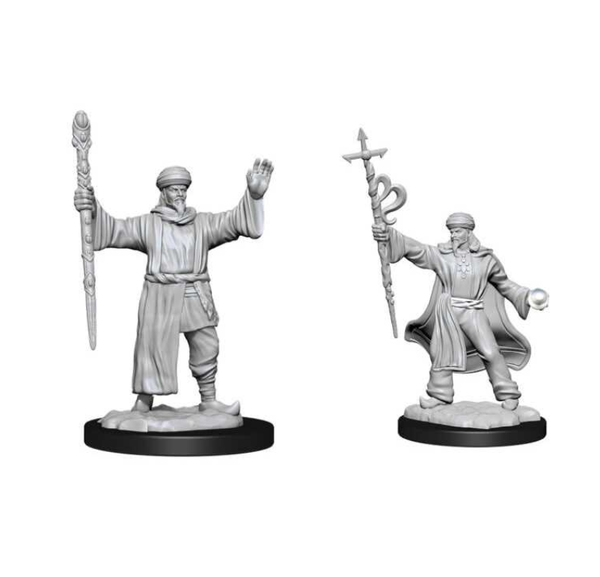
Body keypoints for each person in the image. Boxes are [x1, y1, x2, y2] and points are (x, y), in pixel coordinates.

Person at [74, 160, 274, 414]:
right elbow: (114, 230)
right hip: (161, 295)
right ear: (163, 192)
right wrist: (91, 208)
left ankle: (209, 400)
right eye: (174, 189)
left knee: (207, 345)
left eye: (183, 189)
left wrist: (254, 197)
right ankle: (143, 402)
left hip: (195, 293)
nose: (179, 194)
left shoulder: (202, 223)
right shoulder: (148, 224)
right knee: (151, 349)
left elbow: (234, 221)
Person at [373, 212, 548, 410]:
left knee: (490, 351)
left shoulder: (486, 260)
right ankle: (440, 395)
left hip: (473, 311)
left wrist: (526, 296)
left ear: (468, 232)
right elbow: (417, 249)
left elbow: (504, 284)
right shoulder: (442, 256)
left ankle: (508, 394)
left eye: (457, 231)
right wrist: (388, 234)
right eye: (451, 231)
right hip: (448, 311)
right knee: (440, 353)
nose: (453, 235)